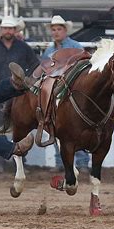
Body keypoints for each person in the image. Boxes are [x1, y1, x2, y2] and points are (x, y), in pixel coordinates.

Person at [42, 15, 89, 172]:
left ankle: (81, 162)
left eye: (59, 29)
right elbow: (46, 70)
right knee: (58, 126)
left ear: (65, 30)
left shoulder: (75, 46)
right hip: (59, 93)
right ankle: (61, 162)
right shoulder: (50, 50)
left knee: (79, 125)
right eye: (53, 29)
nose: (56, 32)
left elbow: (84, 66)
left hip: (75, 91)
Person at [0, 16, 39, 130]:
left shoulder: (24, 47)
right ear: (1, 30)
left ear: (15, 30)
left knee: (20, 125)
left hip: (19, 93)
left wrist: (27, 79)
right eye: (5, 28)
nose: (8, 31)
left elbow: (35, 64)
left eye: (10, 28)